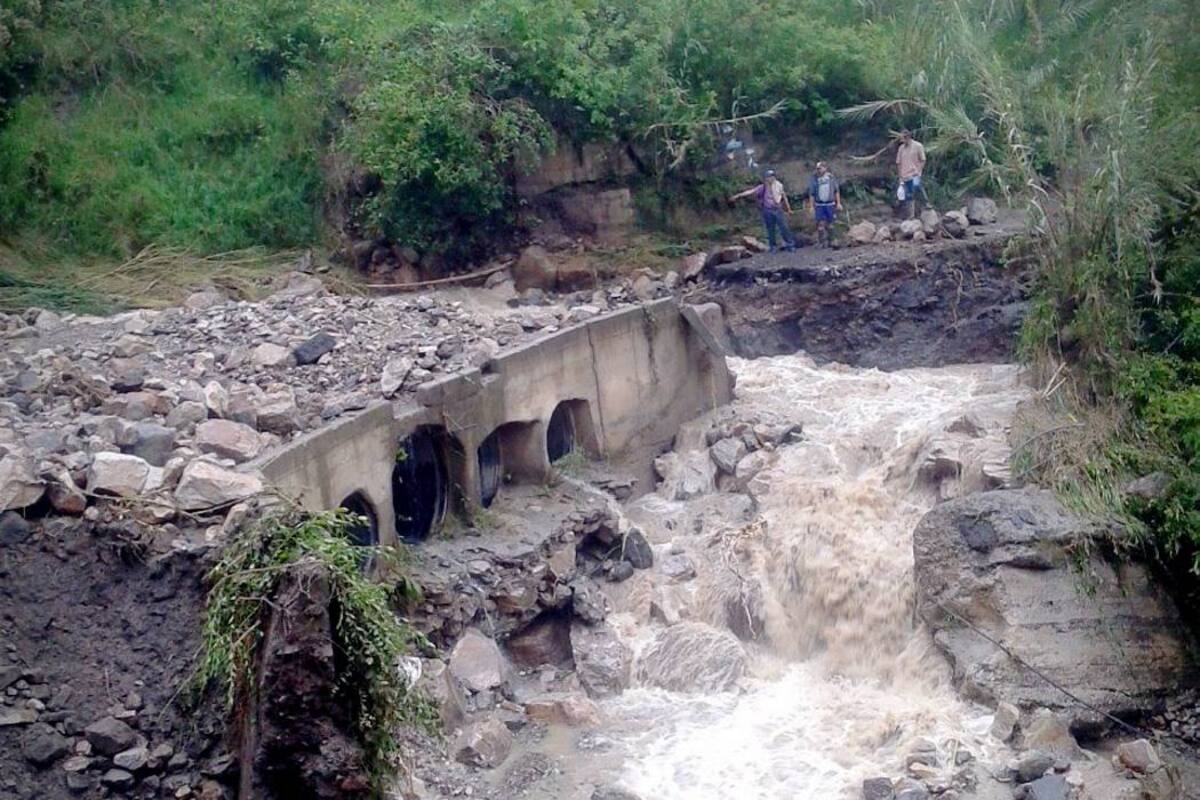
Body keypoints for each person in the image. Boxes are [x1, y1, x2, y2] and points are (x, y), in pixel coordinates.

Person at [728, 169, 796, 252]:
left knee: (784, 228)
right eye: (768, 177)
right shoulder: (762, 187)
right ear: (766, 178)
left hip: (778, 209)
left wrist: (788, 209)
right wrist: (738, 196)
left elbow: (784, 197)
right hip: (768, 210)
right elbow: (751, 191)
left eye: (772, 176)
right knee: (770, 229)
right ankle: (773, 247)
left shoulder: (779, 186)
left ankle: (790, 245)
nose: (770, 179)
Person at [807, 161, 842, 247]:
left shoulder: (831, 178)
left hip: (830, 204)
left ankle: (832, 240)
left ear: (825, 168)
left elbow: (836, 191)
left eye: (820, 168)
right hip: (819, 205)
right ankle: (822, 242)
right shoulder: (814, 179)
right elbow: (812, 194)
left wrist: (838, 203)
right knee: (820, 224)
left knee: (831, 223)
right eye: (818, 169)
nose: (819, 170)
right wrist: (811, 206)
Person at [896, 129, 927, 219]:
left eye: (902, 138)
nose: (901, 140)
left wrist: (918, 171)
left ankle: (926, 206)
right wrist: (900, 176)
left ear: (907, 137)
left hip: (915, 174)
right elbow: (898, 162)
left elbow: (923, 160)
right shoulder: (901, 148)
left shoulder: (918, 146)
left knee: (917, 190)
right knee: (907, 195)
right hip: (904, 175)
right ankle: (910, 215)